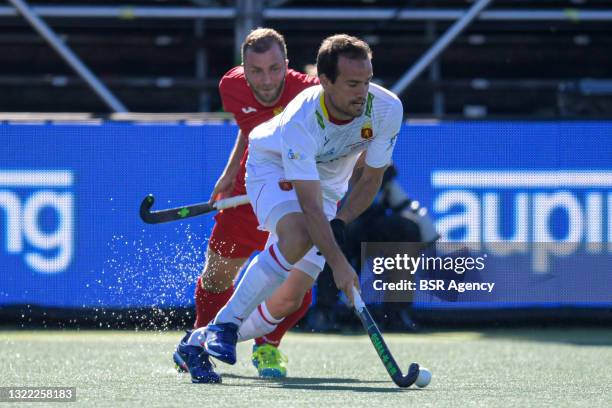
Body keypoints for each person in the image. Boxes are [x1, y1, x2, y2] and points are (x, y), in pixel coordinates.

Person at [177, 34, 404, 383]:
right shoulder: (303, 115)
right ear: (325, 82)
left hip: (327, 184)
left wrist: (340, 223)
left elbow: (371, 180)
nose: (363, 93)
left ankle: (199, 341)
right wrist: (340, 264)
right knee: (298, 235)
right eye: (353, 84)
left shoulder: (387, 108)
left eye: (368, 81)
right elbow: (310, 209)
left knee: (289, 299)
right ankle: (224, 324)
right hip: (273, 165)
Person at [173, 28, 319, 382]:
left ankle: (268, 343)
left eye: (274, 69)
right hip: (248, 188)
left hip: (296, 197)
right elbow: (249, 124)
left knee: (296, 290)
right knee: (217, 275)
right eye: (256, 71)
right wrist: (229, 171)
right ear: (243, 69)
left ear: (286, 65)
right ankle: (199, 341)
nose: (266, 80)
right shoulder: (231, 87)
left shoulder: (310, 94)